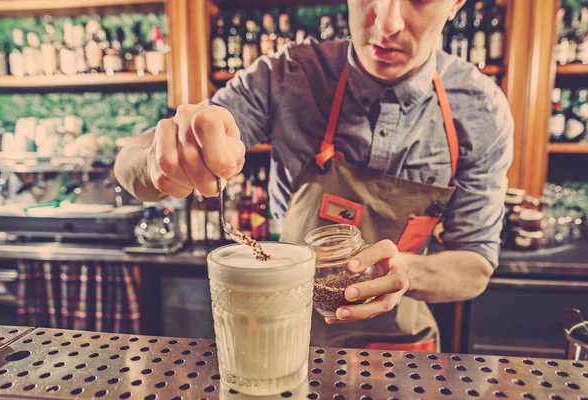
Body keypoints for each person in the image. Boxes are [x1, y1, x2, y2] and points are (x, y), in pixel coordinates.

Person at [114, 0, 513, 352]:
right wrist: (162, 160)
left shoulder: (481, 109)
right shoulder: (288, 73)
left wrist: (403, 271)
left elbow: (475, 265)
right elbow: (130, 164)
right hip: (286, 331)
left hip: (400, 349)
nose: (385, 22)